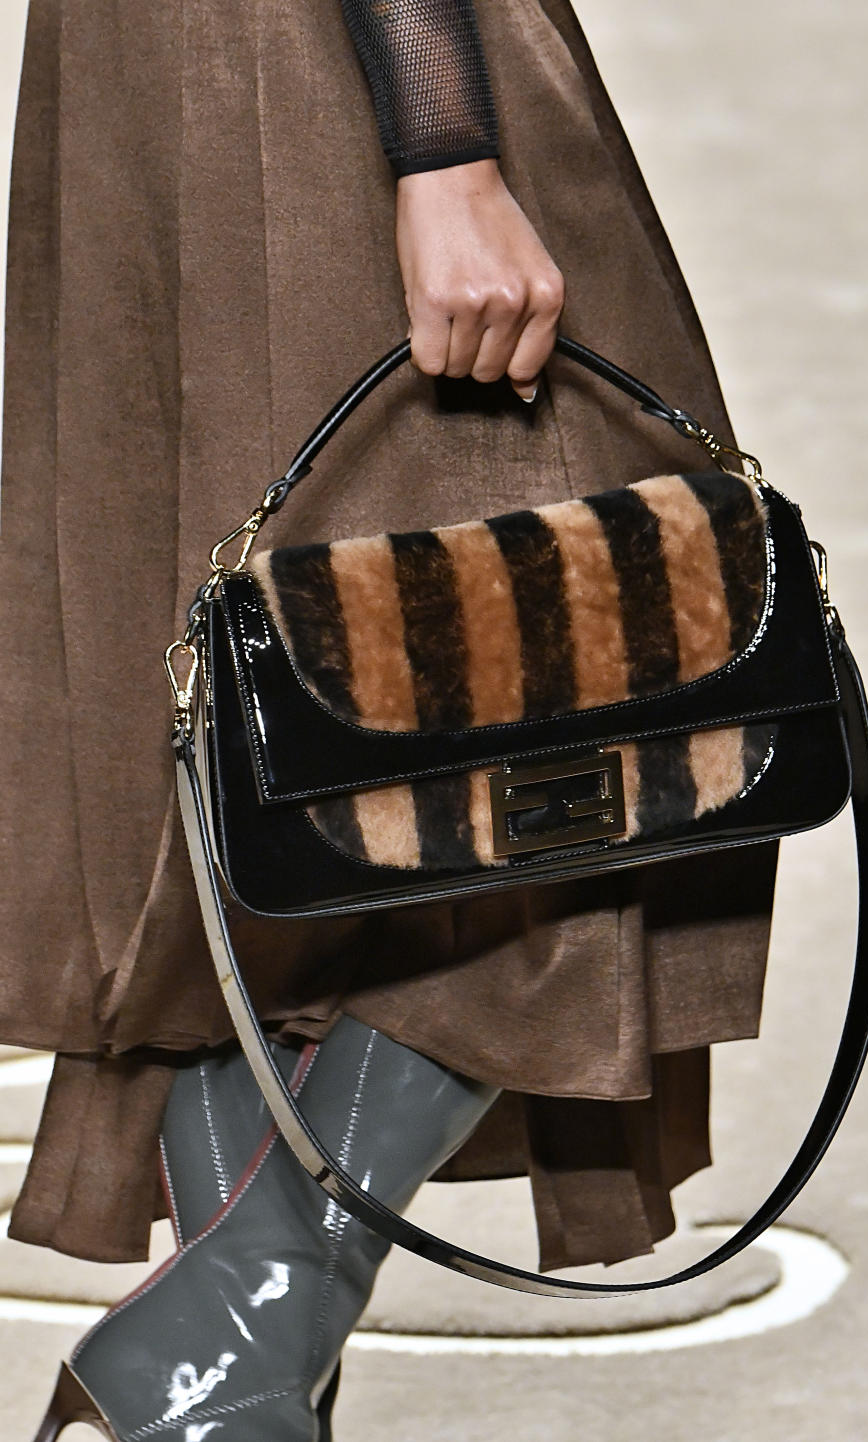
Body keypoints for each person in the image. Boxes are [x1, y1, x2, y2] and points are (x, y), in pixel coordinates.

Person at [0, 1, 779, 1437]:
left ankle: (227, 1390)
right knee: (604, 672)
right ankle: (229, 1343)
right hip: (335, 73)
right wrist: (444, 147)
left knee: (253, 778)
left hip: (138, 69)